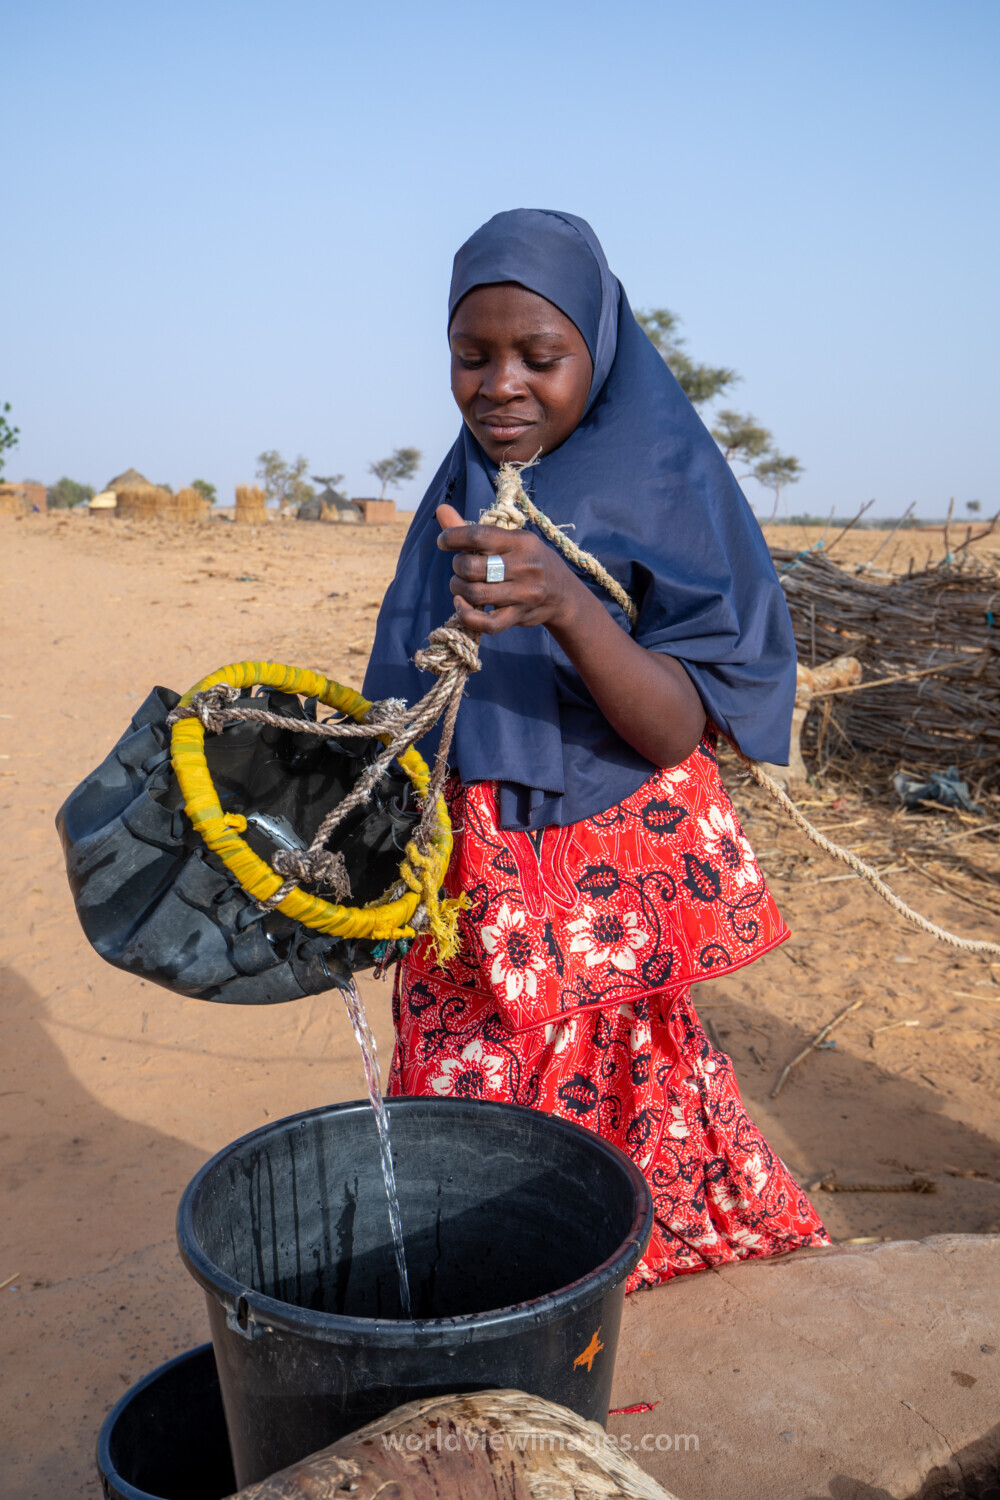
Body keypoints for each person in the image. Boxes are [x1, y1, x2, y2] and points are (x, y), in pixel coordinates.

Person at [364, 208, 829, 1289]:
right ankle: (501, 1296)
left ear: (600, 350)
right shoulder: (455, 491)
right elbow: (409, 698)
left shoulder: (669, 486)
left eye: (540, 356)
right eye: (470, 357)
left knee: (616, 1103)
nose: (499, 385)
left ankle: (589, 1299)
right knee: (461, 1108)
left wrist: (569, 604)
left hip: (603, 879)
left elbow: (675, 728)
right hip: (471, 877)